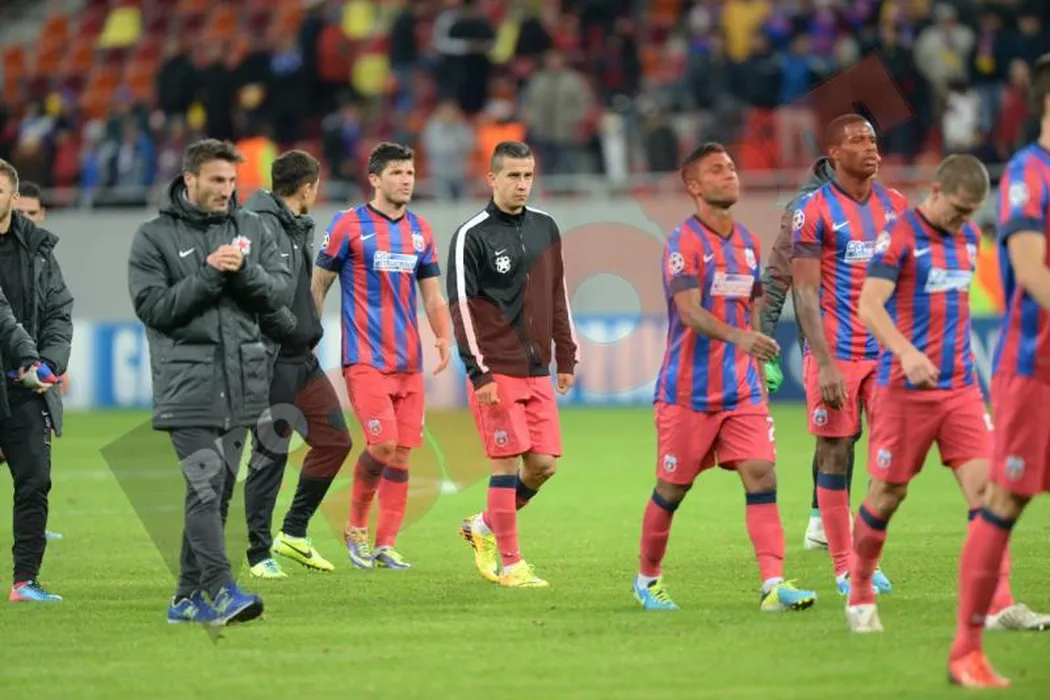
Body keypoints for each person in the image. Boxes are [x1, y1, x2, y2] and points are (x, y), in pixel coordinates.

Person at [849, 154, 1050, 635]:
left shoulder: (968, 238)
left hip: (960, 389)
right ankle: (859, 592)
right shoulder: (899, 236)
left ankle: (999, 604)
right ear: (935, 191)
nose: (963, 220)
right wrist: (906, 352)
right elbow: (869, 306)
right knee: (888, 494)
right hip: (904, 391)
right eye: (958, 210)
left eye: (971, 213)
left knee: (988, 494)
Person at [632, 142, 817, 611]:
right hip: (686, 393)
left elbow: (753, 304)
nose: (730, 175)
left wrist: (759, 358)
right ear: (694, 186)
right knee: (672, 490)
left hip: (741, 391)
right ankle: (647, 579)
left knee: (762, 477)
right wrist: (741, 339)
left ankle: (772, 585)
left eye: (732, 167)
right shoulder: (684, 242)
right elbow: (689, 311)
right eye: (717, 170)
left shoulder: (747, 242)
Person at [127, 139, 295, 625]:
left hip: (242, 382)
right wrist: (207, 274)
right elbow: (154, 309)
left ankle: (185, 598)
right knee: (204, 489)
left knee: (218, 494)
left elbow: (279, 292)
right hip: (187, 384)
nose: (226, 189)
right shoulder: (153, 237)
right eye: (216, 180)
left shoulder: (253, 228)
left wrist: (242, 272)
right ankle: (221, 590)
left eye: (231, 181)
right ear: (190, 180)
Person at [947, 53, 1050, 688]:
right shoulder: (1027, 175)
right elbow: (1032, 269)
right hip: (1036, 370)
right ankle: (967, 650)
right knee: (1005, 500)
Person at [312, 142, 451, 570]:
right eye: (396, 173)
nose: (406, 180)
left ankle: (386, 544)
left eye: (410, 173)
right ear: (374, 179)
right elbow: (319, 284)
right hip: (364, 357)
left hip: (408, 360)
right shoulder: (348, 224)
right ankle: (356, 528)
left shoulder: (421, 230)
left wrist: (443, 336)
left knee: (403, 454)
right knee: (383, 444)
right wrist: (307, 336)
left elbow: (432, 294)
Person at [449, 140, 579, 588]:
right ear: (492, 178)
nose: (522, 184)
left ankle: (484, 524)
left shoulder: (546, 226)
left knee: (542, 465)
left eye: (528, 176)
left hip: (537, 368)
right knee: (505, 464)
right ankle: (512, 565)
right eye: (513, 176)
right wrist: (479, 372)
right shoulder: (472, 235)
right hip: (496, 369)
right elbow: (461, 308)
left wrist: (566, 353)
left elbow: (557, 294)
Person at [791, 114, 907, 595]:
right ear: (835, 154)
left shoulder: (896, 206)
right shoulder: (814, 209)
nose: (871, 148)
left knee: (891, 463)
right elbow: (804, 291)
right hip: (836, 353)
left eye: (873, 140)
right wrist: (825, 364)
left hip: (885, 355)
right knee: (834, 453)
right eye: (858, 141)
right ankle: (846, 567)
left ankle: (868, 556)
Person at [241, 150, 352, 579]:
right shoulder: (258, 226)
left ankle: (293, 532)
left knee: (335, 440)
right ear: (307, 188)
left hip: (301, 357)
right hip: (270, 360)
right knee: (269, 455)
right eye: (316, 186)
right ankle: (257, 553)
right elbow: (248, 291)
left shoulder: (296, 225)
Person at [759, 155, 862, 551]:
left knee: (854, 431)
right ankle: (824, 521)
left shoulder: (873, 203)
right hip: (827, 340)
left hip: (870, 336)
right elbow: (776, 279)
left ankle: (828, 519)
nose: (871, 154)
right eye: (860, 145)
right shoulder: (806, 207)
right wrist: (760, 345)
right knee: (839, 431)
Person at [0, 161, 72, 603]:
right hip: (20, 371)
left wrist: (49, 364)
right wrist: (30, 359)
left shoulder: (40, 251)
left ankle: (25, 581)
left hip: (25, 387)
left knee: (34, 481)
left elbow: (59, 312)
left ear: (12, 196)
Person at [11, 180, 66, 543]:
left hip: (32, 379)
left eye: (32, 213)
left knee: (34, 473)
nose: (27, 219)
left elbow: (58, 317)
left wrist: (51, 365)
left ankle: (32, 529)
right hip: (10, 371)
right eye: (20, 213)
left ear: (42, 215)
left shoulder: (45, 259)